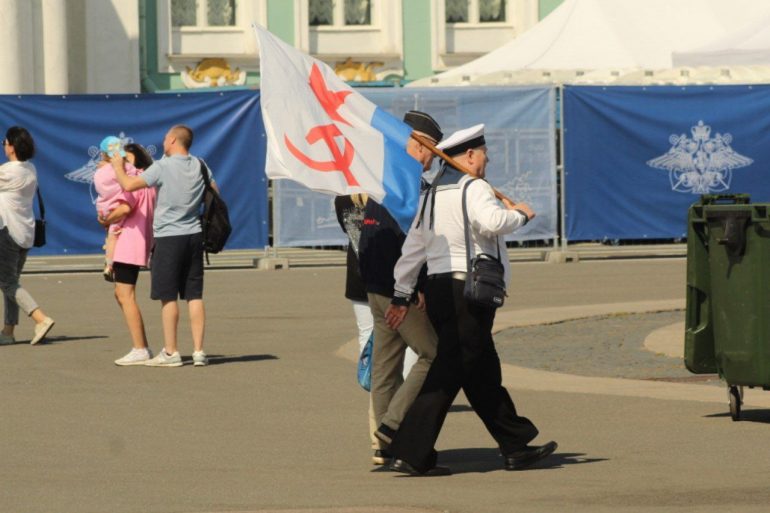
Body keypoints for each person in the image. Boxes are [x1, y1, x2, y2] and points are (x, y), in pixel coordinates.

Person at [384, 124, 557, 476]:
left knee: (481, 373)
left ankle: (515, 444)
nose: (487, 161)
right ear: (470, 156)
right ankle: (408, 449)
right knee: (448, 372)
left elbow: (413, 247)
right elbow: (491, 221)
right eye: (484, 155)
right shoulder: (475, 187)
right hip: (470, 292)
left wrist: (402, 291)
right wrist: (520, 214)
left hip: (439, 290)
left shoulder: (432, 193)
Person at [357, 110, 443, 465]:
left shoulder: (384, 180)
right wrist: (409, 291)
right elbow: (410, 244)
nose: (434, 158)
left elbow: (367, 240)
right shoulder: (408, 186)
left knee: (385, 367)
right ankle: (392, 427)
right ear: (420, 146)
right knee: (432, 355)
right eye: (433, 150)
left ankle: (383, 446)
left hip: (375, 287)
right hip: (396, 291)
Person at [110, 125, 215, 367]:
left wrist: (117, 167)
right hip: (194, 235)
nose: (164, 140)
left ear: (174, 140)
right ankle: (199, 351)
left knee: (168, 296)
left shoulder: (163, 166)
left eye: (167, 137)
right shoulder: (200, 164)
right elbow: (214, 191)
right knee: (194, 295)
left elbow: (129, 185)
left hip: (169, 237)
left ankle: (171, 352)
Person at [97, 142, 157, 366]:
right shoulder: (146, 181)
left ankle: (140, 348)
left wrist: (105, 219)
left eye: (126, 160)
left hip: (128, 243)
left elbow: (124, 208)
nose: (119, 164)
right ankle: (141, 346)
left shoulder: (134, 181)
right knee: (121, 294)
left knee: (125, 295)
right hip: (135, 242)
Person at [0, 126, 55, 346]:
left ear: (12, 147)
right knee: (11, 283)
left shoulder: (8, 171)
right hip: (25, 232)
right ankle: (8, 331)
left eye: (5, 142)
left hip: (8, 232)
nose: (4, 146)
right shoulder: (30, 168)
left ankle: (40, 319)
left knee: (7, 282)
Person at [94, 136, 131, 281]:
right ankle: (109, 265)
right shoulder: (124, 169)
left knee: (110, 235)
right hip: (117, 207)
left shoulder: (99, 171)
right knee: (114, 235)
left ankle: (107, 252)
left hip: (103, 208)